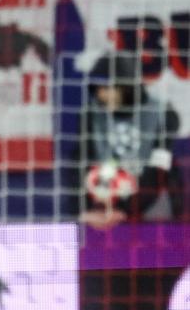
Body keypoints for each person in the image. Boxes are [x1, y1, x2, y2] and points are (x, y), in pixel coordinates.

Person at [71, 51, 184, 229]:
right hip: (102, 208)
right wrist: (84, 209)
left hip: (151, 207)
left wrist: (125, 210)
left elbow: (159, 171)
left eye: (109, 88)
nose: (102, 95)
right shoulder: (91, 115)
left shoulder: (164, 115)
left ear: (126, 86)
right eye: (98, 89)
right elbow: (78, 161)